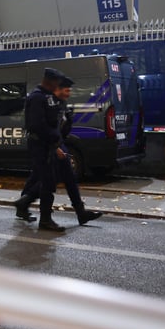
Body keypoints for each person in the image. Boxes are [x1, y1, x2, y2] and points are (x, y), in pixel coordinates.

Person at [14, 68, 65, 231]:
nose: (58, 85)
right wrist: (53, 136)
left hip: (46, 145)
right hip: (40, 144)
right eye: (56, 82)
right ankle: (45, 220)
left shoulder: (46, 97)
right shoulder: (37, 97)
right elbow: (37, 125)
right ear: (49, 81)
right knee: (48, 183)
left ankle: (24, 202)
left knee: (43, 180)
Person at [52, 76, 102, 226]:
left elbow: (63, 130)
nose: (69, 93)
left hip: (60, 143)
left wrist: (69, 120)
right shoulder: (50, 104)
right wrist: (55, 147)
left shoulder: (62, 104)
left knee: (69, 179)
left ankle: (81, 213)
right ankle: (25, 202)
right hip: (51, 146)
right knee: (46, 181)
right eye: (66, 90)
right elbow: (46, 129)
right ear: (58, 90)